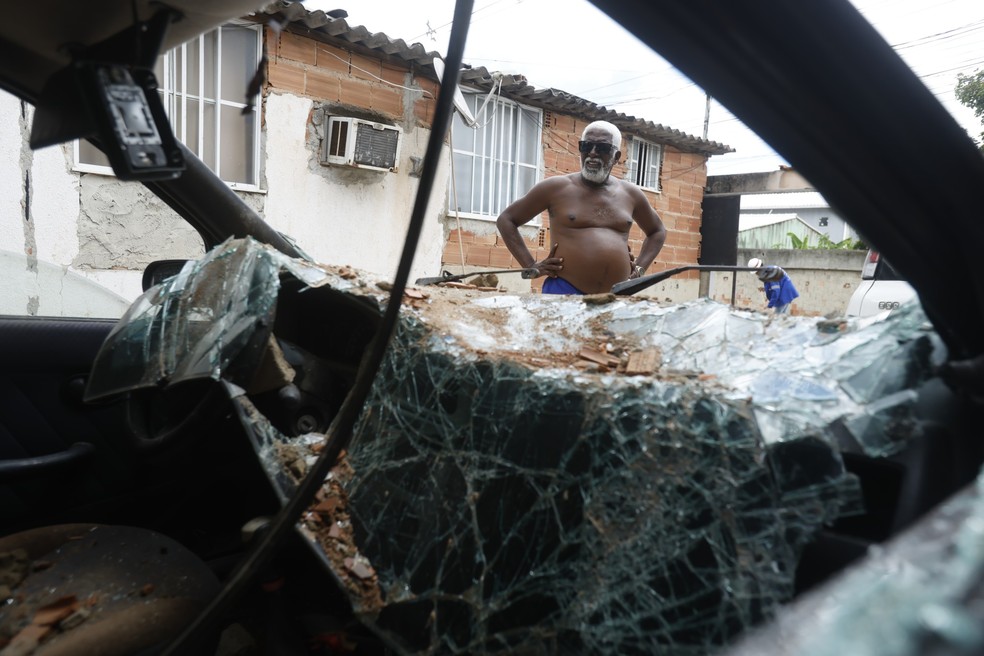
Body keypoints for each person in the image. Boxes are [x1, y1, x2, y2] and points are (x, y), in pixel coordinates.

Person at [495, 120, 667, 295]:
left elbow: (657, 231)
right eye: (586, 146)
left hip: (615, 297)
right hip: (564, 291)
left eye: (602, 148)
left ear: (616, 156)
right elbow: (506, 220)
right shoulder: (555, 188)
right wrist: (530, 266)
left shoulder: (631, 194)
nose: (592, 153)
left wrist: (640, 269)